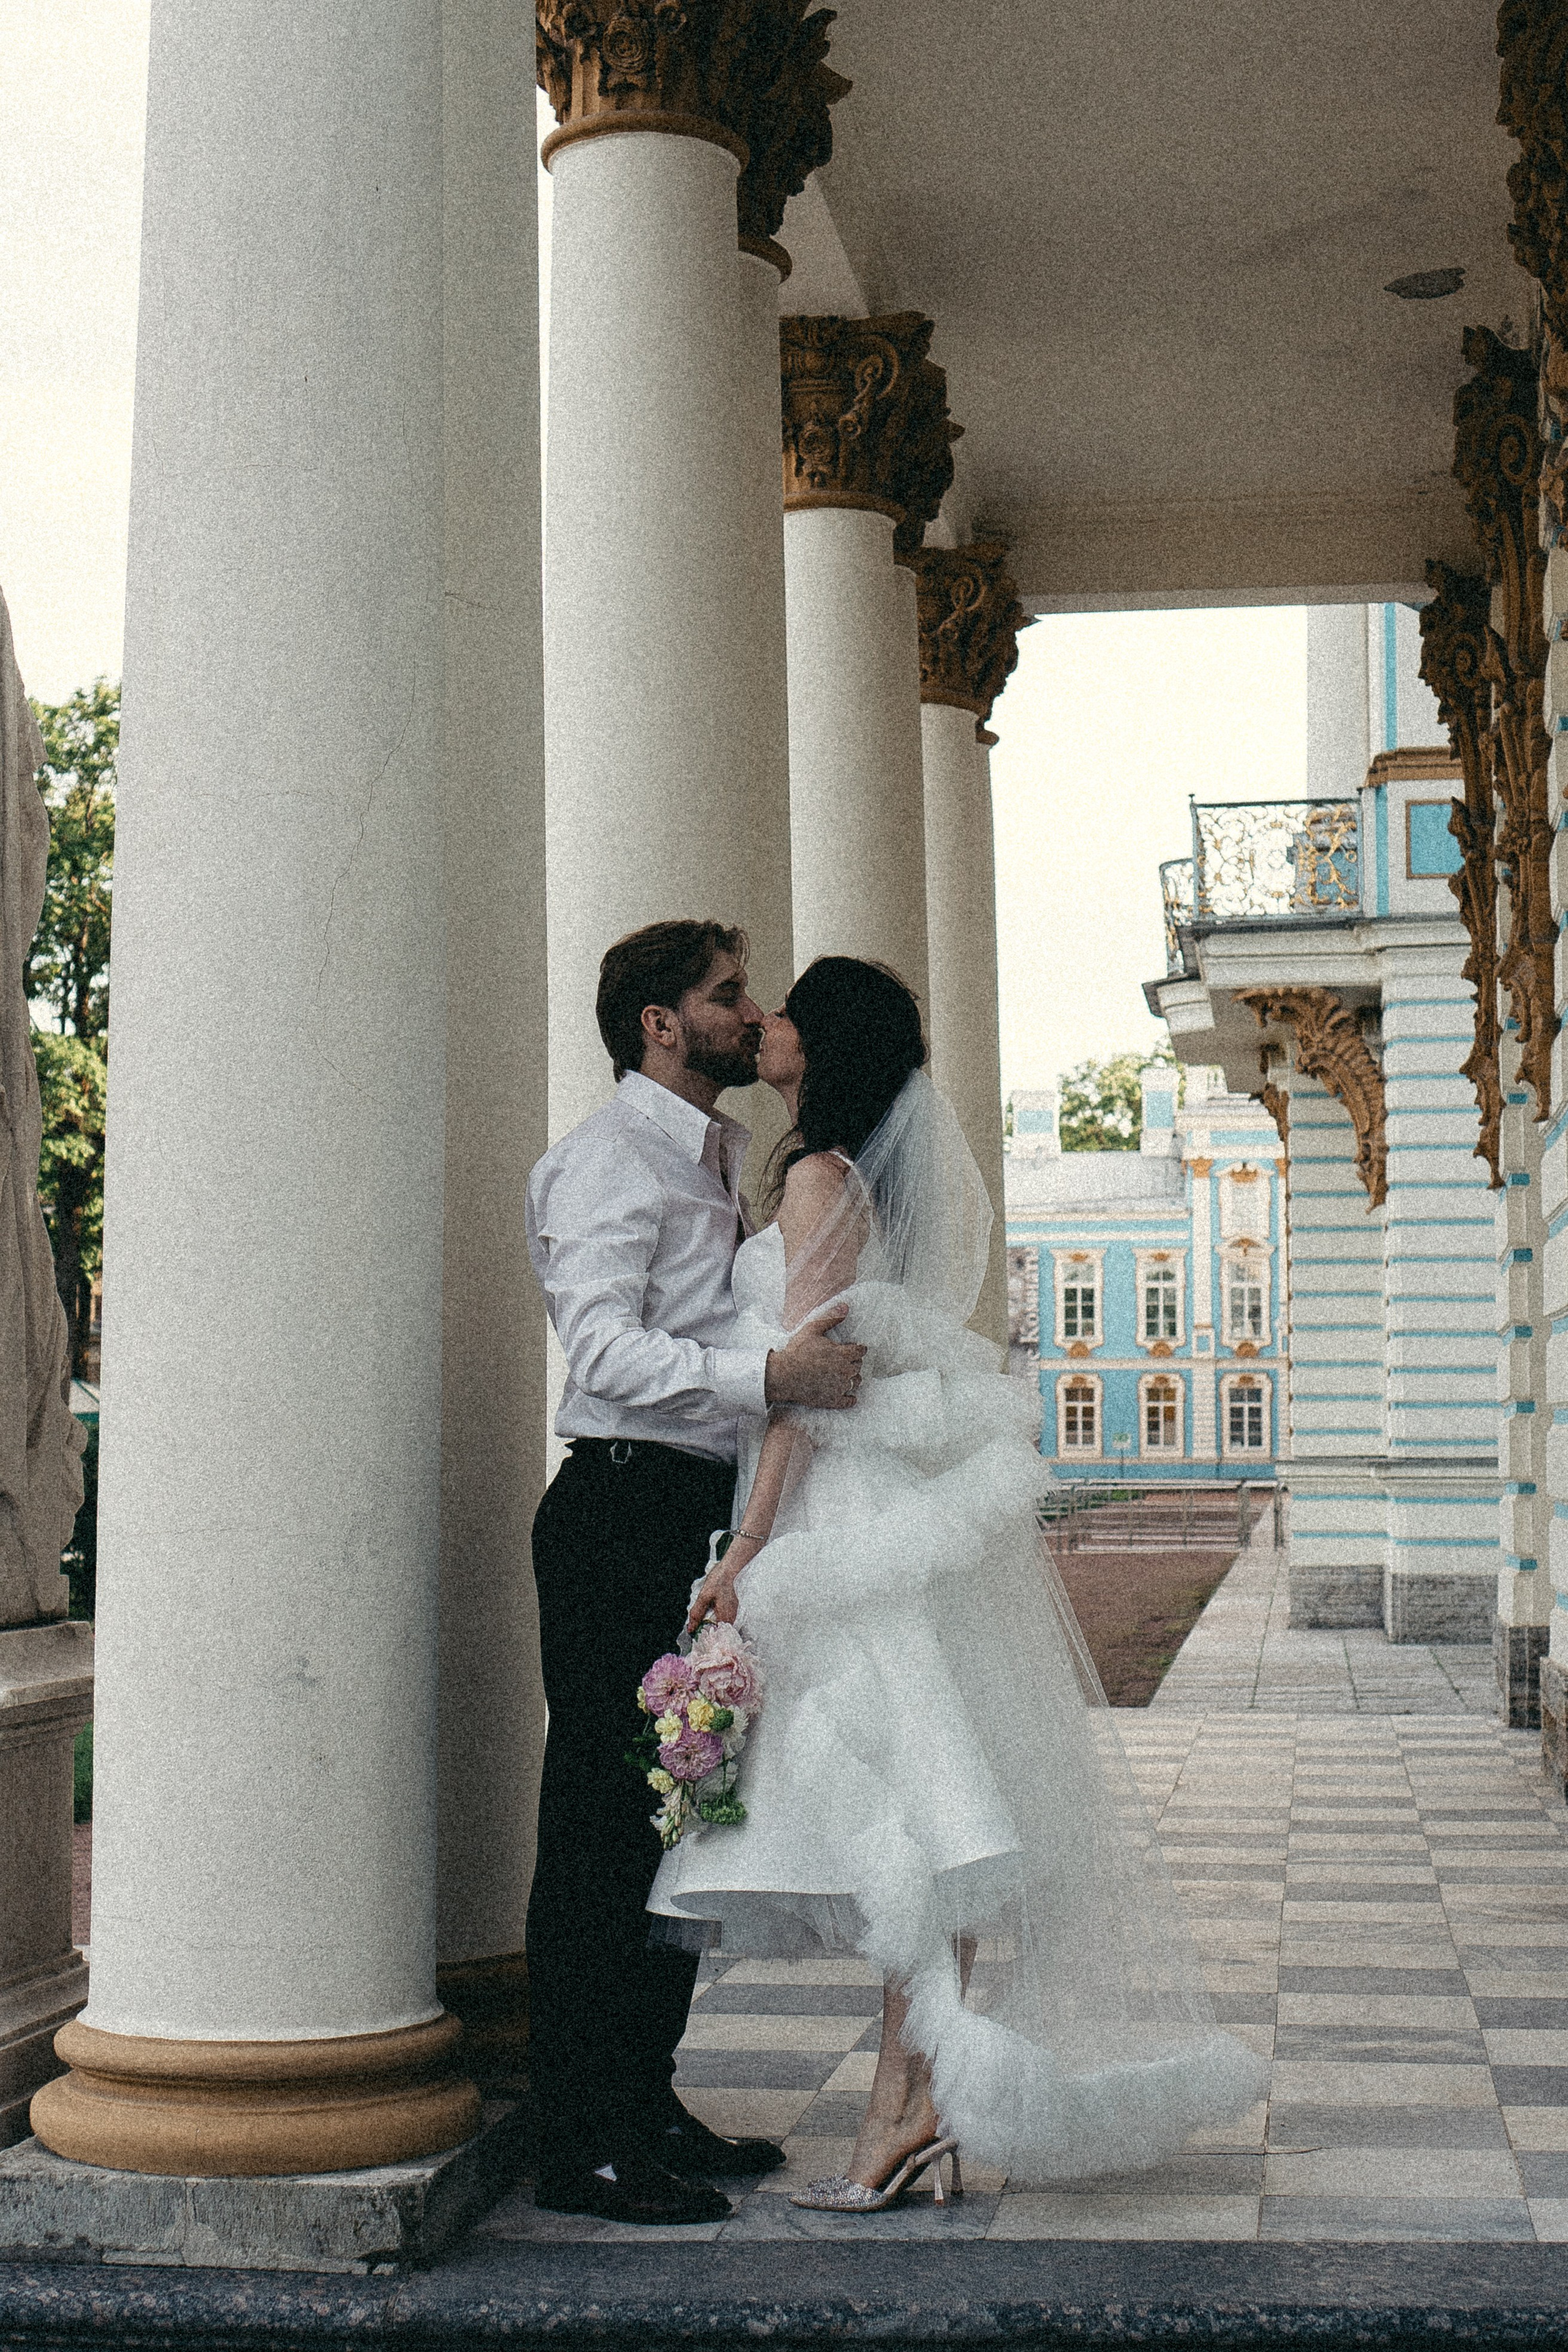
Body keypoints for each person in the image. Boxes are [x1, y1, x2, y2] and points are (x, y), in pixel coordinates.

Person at [650, 956, 1268, 2210]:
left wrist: (751, 1548)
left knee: (917, 1808)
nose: (763, 1022)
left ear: (821, 1049)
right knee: (930, 1808)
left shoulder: (823, 1179)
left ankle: (910, 2103)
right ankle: (914, 2098)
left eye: (785, 1014)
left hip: (842, 1518)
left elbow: (807, 1388)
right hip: (880, 1512)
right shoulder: (852, 1178)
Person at [523, 919, 867, 2228]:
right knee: (603, 1830)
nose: (750, 1011)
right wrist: (765, 1376)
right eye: (727, 997)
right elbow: (601, 1353)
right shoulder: (607, 1163)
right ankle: (580, 2139)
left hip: (691, 1514)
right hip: (618, 1509)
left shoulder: (713, 1154)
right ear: (657, 1023)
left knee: (678, 1815)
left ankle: (642, 2094)